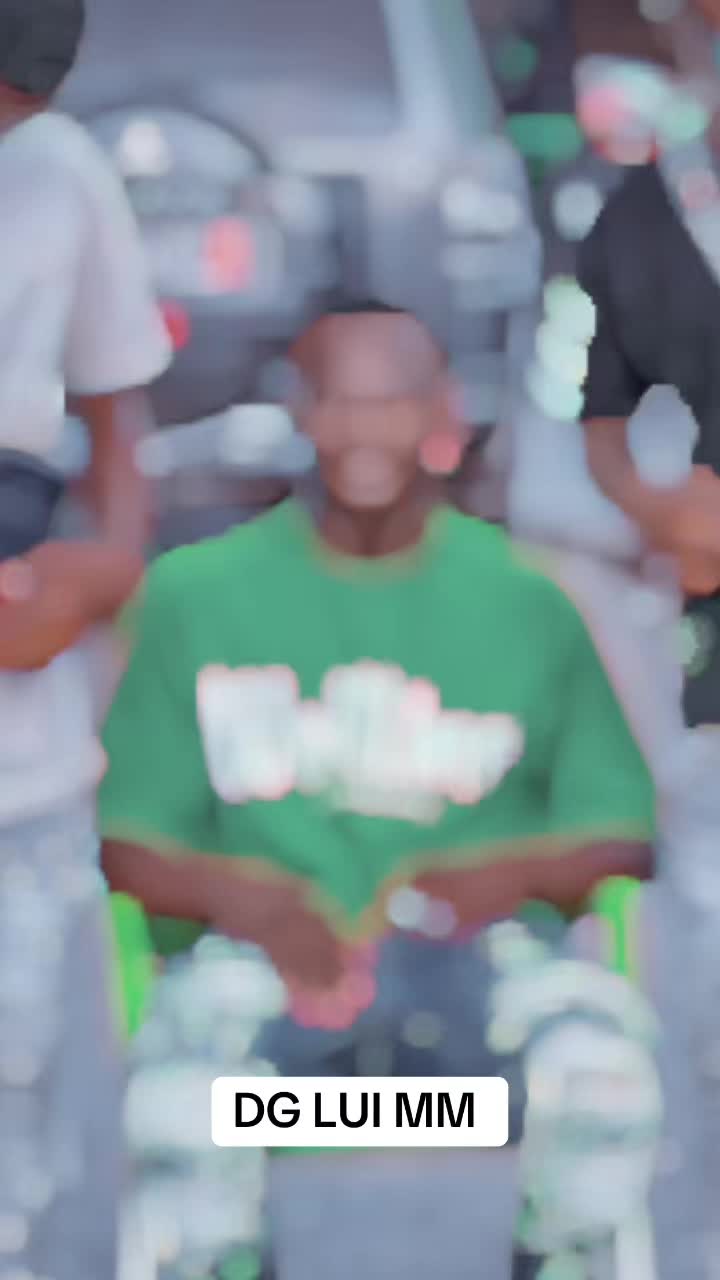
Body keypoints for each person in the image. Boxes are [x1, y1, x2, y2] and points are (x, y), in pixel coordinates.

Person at [100, 299, 655, 1276]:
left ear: (442, 414)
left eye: (392, 400)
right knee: (181, 1105)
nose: (364, 431)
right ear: (299, 413)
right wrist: (259, 904)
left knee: (600, 1079)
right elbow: (127, 841)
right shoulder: (195, 594)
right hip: (267, 978)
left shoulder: (527, 598)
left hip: (480, 975)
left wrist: (490, 880)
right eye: (337, 401)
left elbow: (624, 831)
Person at [0, 1, 172, 1276]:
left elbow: (119, 426)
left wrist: (100, 568)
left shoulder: (60, 175)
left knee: (17, 1105)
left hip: (20, 763)